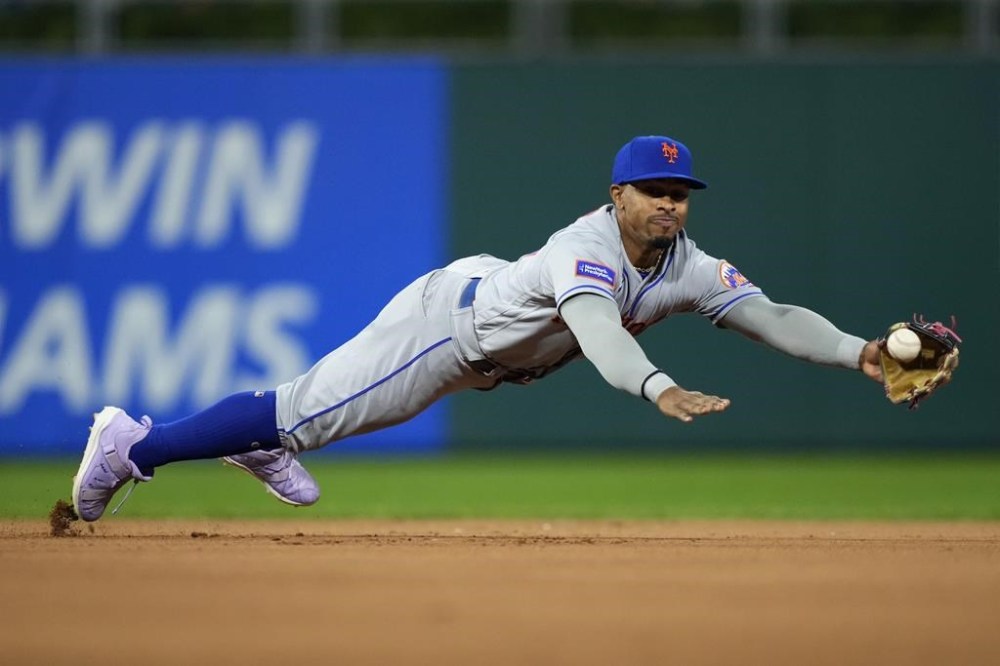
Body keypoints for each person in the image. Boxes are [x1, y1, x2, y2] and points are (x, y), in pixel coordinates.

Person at [71, 135, 884, 521]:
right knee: (298, 408)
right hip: (449, 331)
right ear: (618, 195)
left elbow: (771, 316)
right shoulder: (586, 249)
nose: (670, 202)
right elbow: (599, 329)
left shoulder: (686, 262)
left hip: (484, 304)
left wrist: (863, 355)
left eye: (681, 190)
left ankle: (259, 442)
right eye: (653, 189)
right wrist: (658, 387)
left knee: (305, 415)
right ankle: (129, 445)